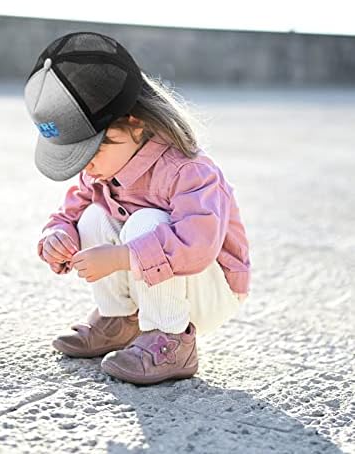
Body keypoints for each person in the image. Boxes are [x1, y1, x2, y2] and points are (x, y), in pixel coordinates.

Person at [24, 31, 251, 385]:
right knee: (94, 216)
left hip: (210, 289)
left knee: (144, 222)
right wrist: (57, 236)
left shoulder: (188, 171)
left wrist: (119, 259)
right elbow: (68, 214)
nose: (88, 166)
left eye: (95, 150)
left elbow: (197, 246)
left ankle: (172, 340)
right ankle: (121, 320)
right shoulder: (100, 173)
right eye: (78, 156)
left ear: (134, 124)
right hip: (156, 286)